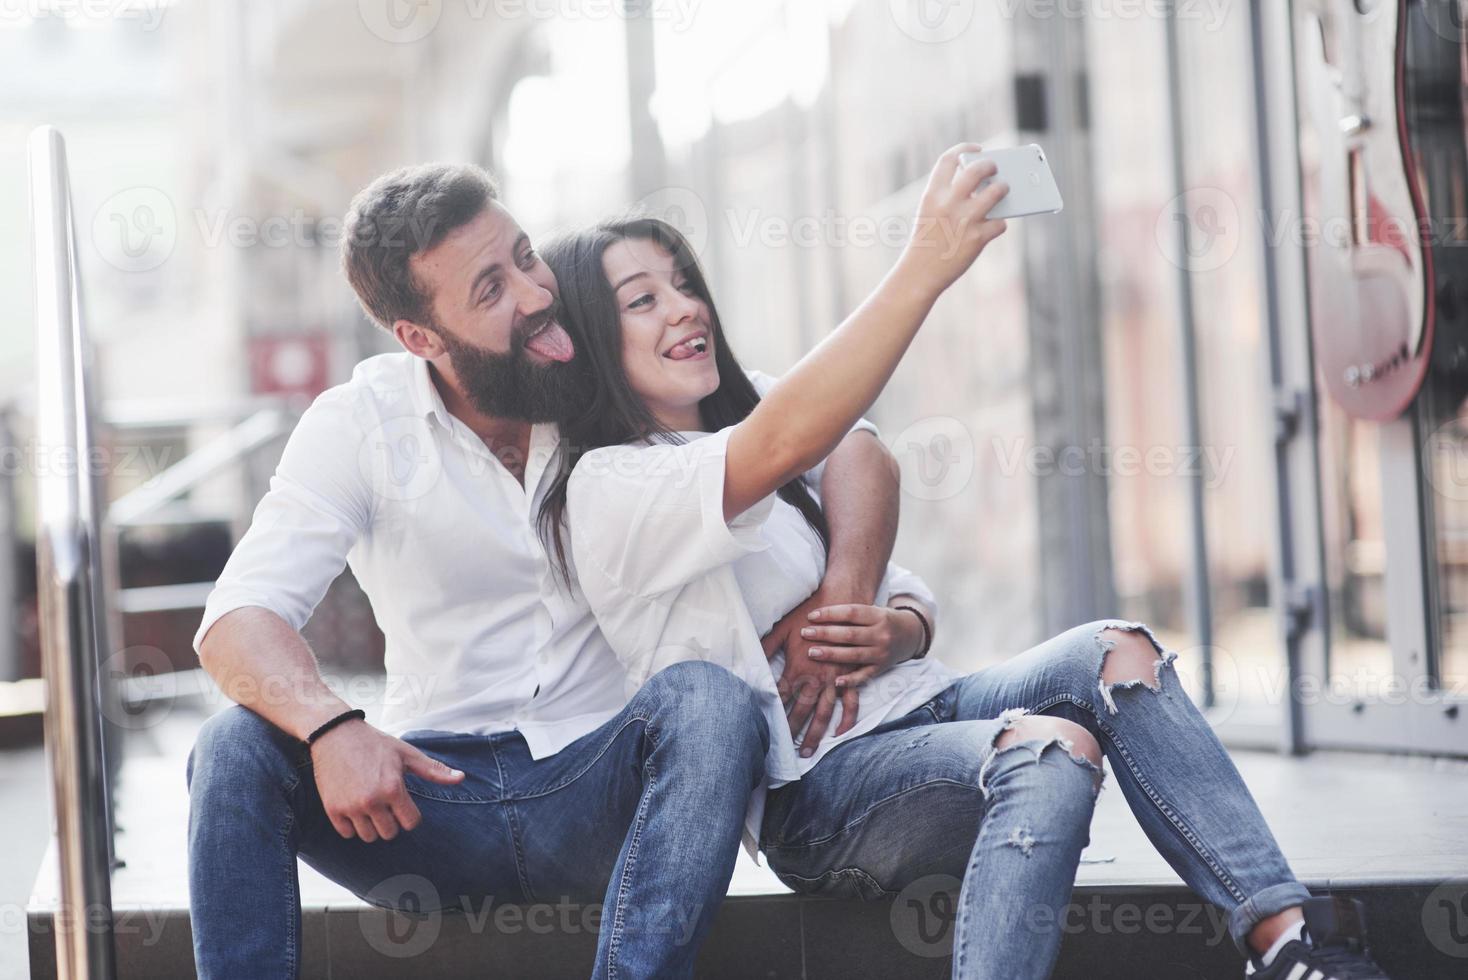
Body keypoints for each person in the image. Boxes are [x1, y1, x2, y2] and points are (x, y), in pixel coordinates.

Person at [537, 157, 1396, 979]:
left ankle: (1287, 942)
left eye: (685, 283)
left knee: (1118, 652)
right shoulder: (611, 485)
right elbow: (802, 437)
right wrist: (926, 263)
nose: (684, 308)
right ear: (589, 339)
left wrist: (865, 617)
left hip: (924, 705)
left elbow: (861, 457)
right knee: (1050, 750)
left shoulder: (741, 416)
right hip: (820, 789)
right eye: (642, 299)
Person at [184, 153, 937, 979]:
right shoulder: (361, 424)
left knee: (708, 700)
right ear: (420, 338)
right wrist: (332, 727)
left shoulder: (604, 370)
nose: (536, 294)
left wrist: (842, 595)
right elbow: (235, 623)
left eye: (525, 256)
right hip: (431, 801)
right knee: (234, 747)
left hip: (607, 788)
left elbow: (844, 443)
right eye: (490, 289)